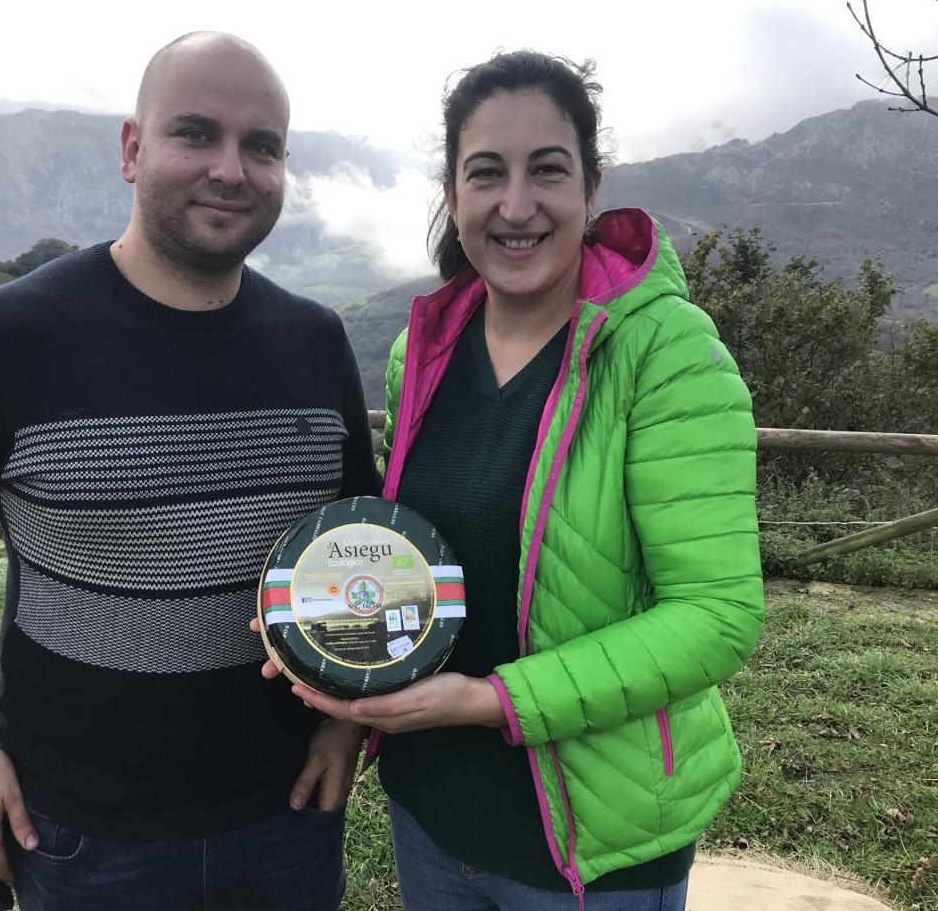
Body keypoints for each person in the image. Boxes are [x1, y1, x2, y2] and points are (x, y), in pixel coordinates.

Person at [0, 32, 376, 910]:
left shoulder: (315, 341)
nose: (231, 169)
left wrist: (346, 718)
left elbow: (356, 544)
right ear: (131, 149)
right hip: (82, 833)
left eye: (261, 145)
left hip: (291, 814)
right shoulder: (6, 337)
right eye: (196, 133)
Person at [285, 51, 765, 910]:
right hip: (431, 812)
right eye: (485, 174)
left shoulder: (668, 354)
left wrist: (486, 701)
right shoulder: (421, 352)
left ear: (592, 183)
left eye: (547, 169)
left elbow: (718, 619)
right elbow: (406, 558)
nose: (516, 205)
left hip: (594, 849)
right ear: (451, 192)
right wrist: (327, 664)